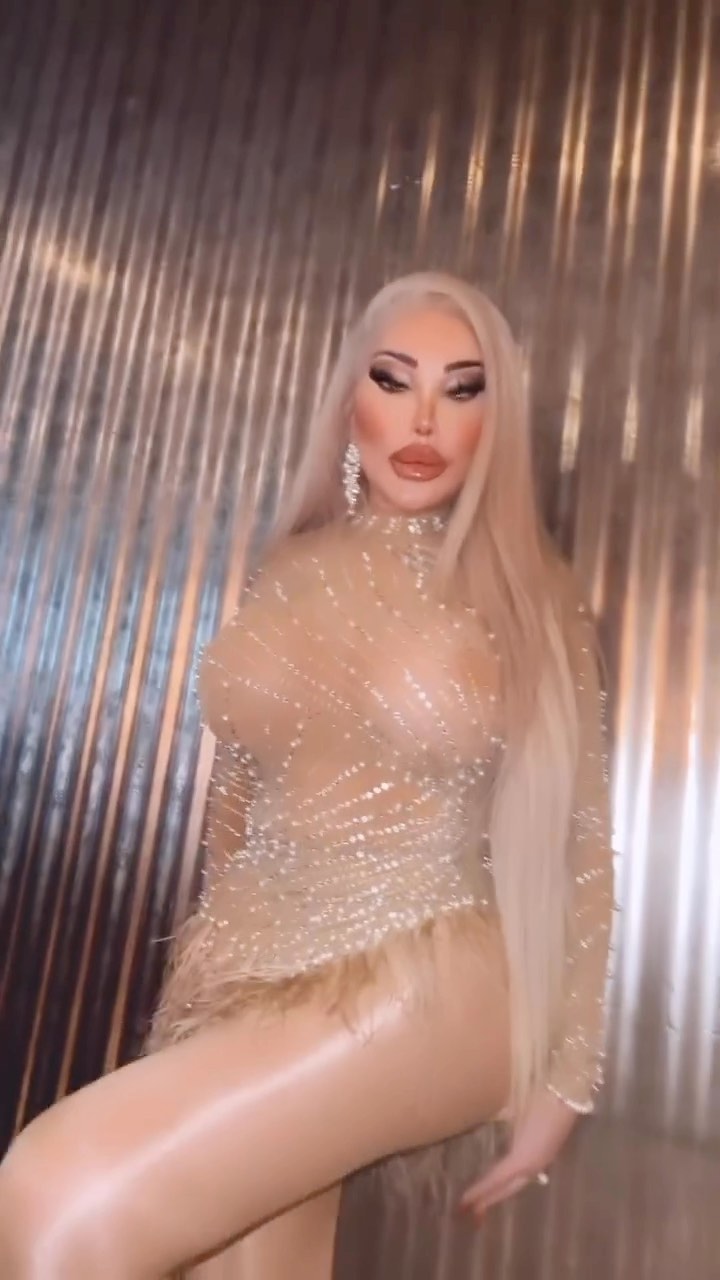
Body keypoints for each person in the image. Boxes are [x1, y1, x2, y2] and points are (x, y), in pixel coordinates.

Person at [0, 272, 615, 1278]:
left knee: (49, 1195)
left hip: (435, 969)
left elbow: (580, 840)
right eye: (394, 379)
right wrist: (208, 994)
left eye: (463, 389)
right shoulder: (285, 569)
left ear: (496, 420)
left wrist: (567, 1078)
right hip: (259, 967)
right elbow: (235, 807)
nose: (424, 418)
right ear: (348, 399)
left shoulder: (527, 595)